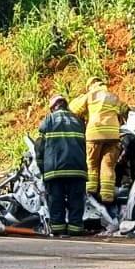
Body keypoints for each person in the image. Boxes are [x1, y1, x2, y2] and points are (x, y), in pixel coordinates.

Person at [69, 77, 128, 205]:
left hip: (94, 134)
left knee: (92, 164)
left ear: (90, 85)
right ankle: (107, 197)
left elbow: (73, 108)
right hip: (113, 135)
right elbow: (126, 110)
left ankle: (91, 192)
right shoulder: (113, 96)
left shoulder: (90, 95)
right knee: (108, 166)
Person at [35, 95, 88, 236]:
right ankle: (75, 229)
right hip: (77, 169)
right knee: (76, 201)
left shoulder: (48, 120)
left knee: (56, 200)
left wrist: (42, 169)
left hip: (55, 170)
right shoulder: (78, 120)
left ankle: (58, 229)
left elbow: (39, 148)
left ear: (52, 108)